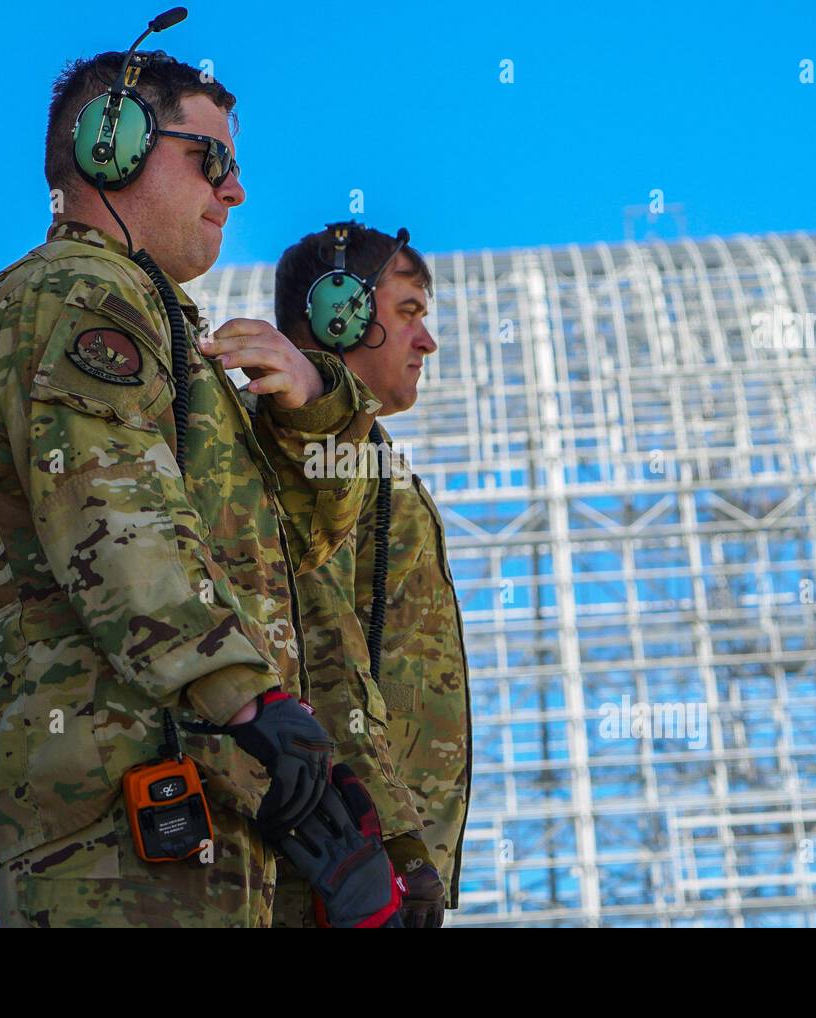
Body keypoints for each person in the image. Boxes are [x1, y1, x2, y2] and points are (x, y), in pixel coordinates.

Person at [0, 41, 383, 927]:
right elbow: (114, 516)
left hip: (197, 807)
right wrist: (253, 701)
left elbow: (306, 561)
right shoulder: (75, 291)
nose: (235, 190)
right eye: (213, 159)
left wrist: (313, 411)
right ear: (112, 146)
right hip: (121, 823)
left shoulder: (177, 338)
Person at [267, 222, 472, 927]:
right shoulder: (316, 456)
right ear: (340, 312)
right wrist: (394, 846)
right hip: (346, 867)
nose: (427, 340)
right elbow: (322, 647)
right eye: (409, 311)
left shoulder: (363, 457)